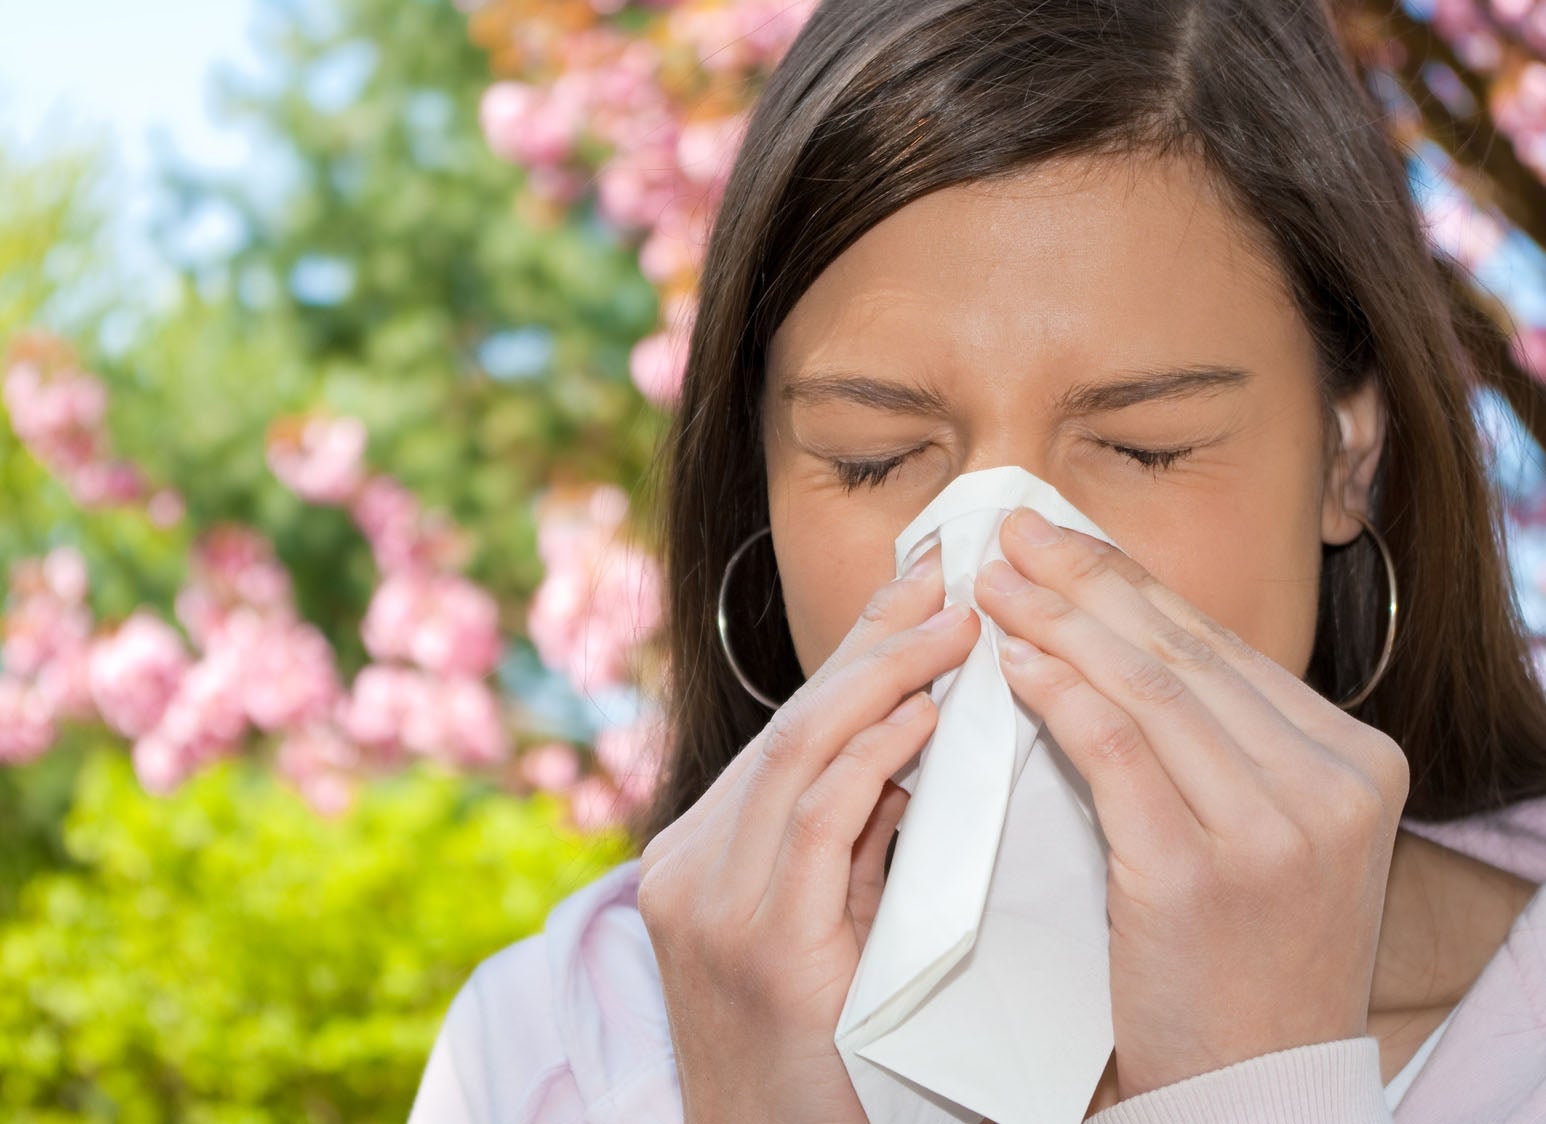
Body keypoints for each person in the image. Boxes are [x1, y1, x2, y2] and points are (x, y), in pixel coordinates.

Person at [407, 0, 1546, 1120]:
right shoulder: (554, 1049)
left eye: (1145, 449)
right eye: (874, 458)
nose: (1001, 555)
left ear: (1345, 451)